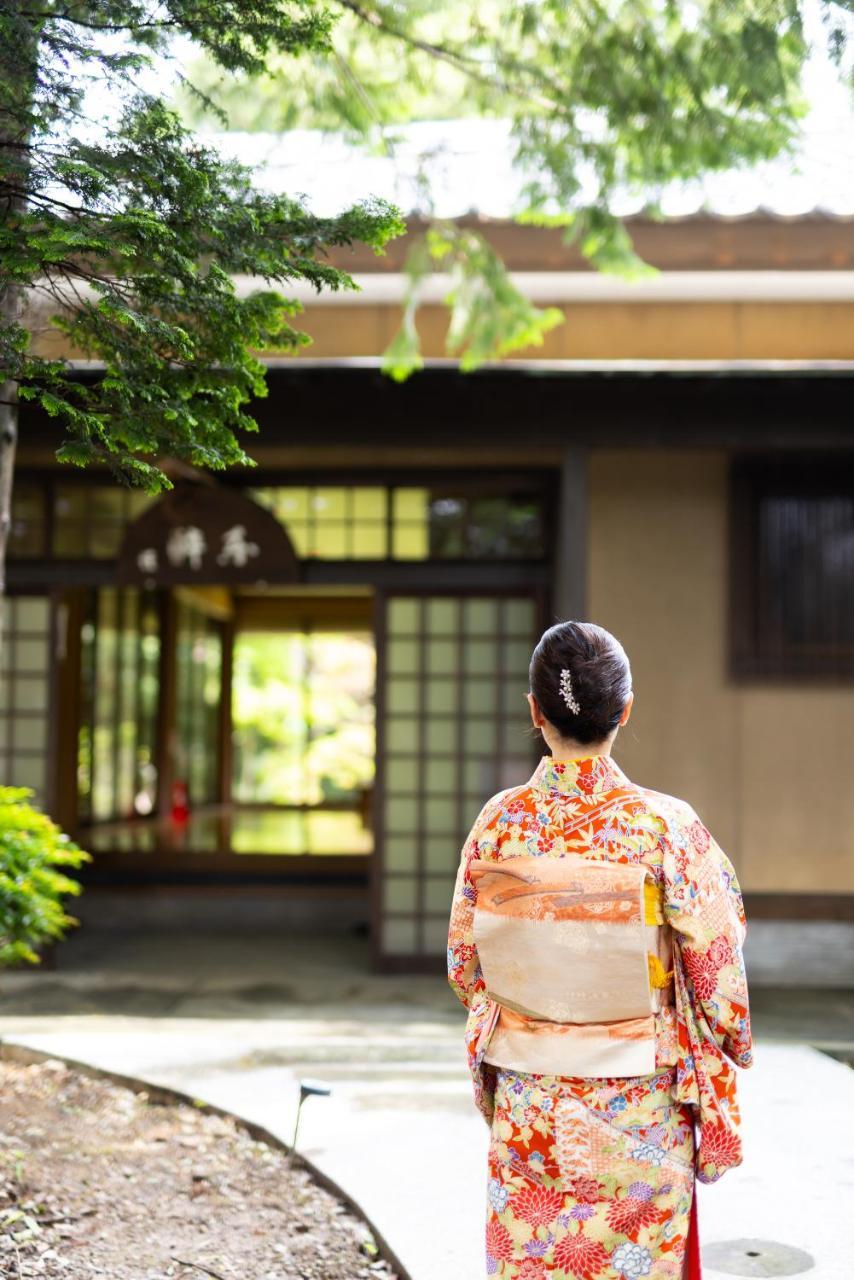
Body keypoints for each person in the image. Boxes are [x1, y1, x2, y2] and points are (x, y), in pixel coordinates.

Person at [447, 620, 752, 1280]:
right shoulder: (666, 826)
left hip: (534, 1098)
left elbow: (466, 966)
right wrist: (727, 1041)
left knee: (538, 1259)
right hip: (638, 1096)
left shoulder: (499, 824)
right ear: (625, 709)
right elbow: (718, 974)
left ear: (535, 711)